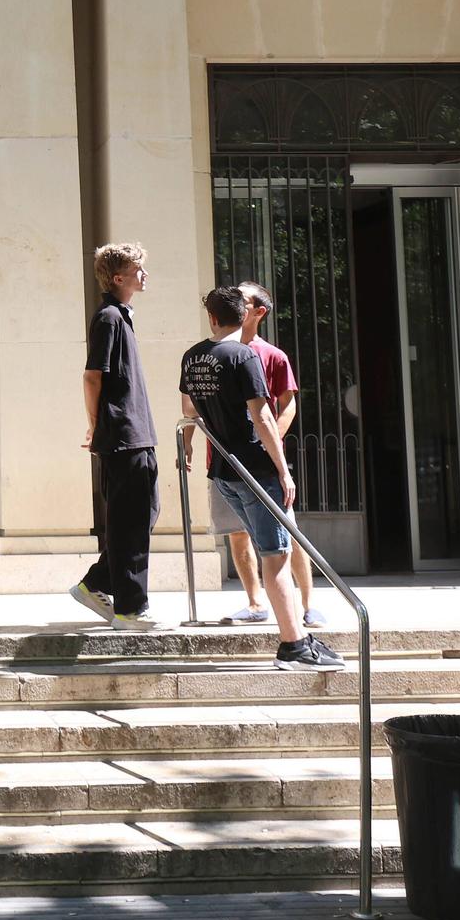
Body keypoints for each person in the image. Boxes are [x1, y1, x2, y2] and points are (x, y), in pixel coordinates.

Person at [180, 287, 343, 673]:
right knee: (276, 555)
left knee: (268, 549)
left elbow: (189, 408)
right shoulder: (243, 356)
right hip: (255, 469)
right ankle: (293, 643)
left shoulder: (193, 356)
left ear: (213, 319)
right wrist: (283, 469)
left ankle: (296, 637)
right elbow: (264, 416)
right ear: (244, 315)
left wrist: (185, 447)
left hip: (222, 469)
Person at [213, 283, 325, 628]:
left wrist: (269, 443)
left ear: (258, 312)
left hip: (263, 461)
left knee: (285, 532)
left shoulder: (272, 355)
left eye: (242, 301)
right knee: (237, 533)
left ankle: (307, 605)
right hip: (225, 463)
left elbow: (287, 403)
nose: (235, 304)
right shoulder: (217, 354)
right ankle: (254, 602)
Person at [69, 243, 160, 631]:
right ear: (119, 277)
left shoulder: (121, 318)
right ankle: (129, 609)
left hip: (135, 435)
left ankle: (96, 583)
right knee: (131, 523)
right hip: (124, 436)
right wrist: (96, 424)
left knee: (143, 516)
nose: (144, 274)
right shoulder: (108, 318)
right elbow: (92, 376)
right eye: (138, 268)